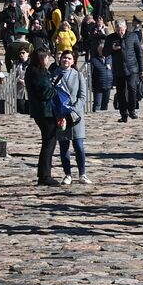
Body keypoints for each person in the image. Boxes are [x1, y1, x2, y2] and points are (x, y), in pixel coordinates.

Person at [24, 49, 61, 186]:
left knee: (48, 142)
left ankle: (44, 174)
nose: (47, 60)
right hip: (45, 112)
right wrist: (56, 89)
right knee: (49, 142)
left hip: (40, 111)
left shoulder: (32, 70)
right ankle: (45, 175)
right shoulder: (38, 72)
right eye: (46, 58)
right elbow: (45, 92)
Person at [53, 50, 89, 185]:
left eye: (69, 58)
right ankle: (67, 174)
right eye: (64, 58)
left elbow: (83, 96)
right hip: (61, 116)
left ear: (73, 61)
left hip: (75, 116)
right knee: (64, 146)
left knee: (79, 146)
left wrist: (73, 109)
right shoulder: (54, 75)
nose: (66, 60)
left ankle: (82, 174)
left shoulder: (78, 75)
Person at [106, 19, 143, 123]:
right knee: (120, 92)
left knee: (132, 88)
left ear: (125, 28)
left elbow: (139, 53)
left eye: (121, 30)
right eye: (118, 30)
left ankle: (132, 110)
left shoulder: (132, 36)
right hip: (118, 69)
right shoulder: (111, 38)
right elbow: (104, 52)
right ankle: (123, 114)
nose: (120, 32)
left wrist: (142, 68)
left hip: (132, 68)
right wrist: (111, 49)